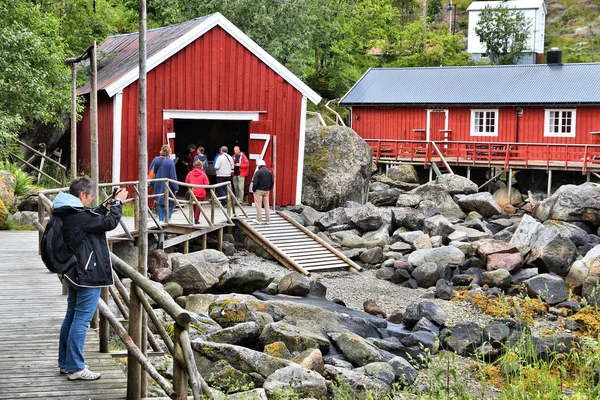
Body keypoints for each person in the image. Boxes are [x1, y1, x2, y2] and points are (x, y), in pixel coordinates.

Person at [52, 177, 128, 381]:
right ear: (82, 195)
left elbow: (92, 216)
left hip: (74, 272)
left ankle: (65, 363)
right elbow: (108, 223)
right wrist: (118, 203)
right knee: (81, 321)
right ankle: (76, 367)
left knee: (71, 317)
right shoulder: (78, 215)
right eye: (91, 196)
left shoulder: (69, 210)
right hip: (87, 275)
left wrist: (106, 204)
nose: (92, 198)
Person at [149, 145, 179, 221]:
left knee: (160, 202)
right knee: (171, 202)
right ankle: (168, 218)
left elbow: (151, 172)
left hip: (158, 184)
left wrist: (152, 183)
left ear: (161, 151)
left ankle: (161, 220)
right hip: (168, 186)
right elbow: (173, 176)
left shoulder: (155, 160)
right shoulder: (170, 162)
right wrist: (176, 187)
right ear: (169, 152)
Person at [185, 160, 209, 224]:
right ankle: (196, 219)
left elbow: (186, 182)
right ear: (201, 166)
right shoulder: (203, 174)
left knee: (193, 205)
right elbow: (206, 184)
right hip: (201, 192)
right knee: (198, 206)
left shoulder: (190, 173)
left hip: (192, 192)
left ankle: (193, 218)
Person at [251, 159, 274, 225]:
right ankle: (268, 220)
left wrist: (254, 190)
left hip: (258, 191)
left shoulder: (258, 172)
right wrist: (268, 189)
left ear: (259, 165)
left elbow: (255, 183)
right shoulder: (269, 172)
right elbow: (272, 182)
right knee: (266, 205)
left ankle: (258, 220)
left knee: (259, 205)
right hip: (266, 191)